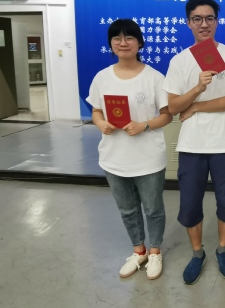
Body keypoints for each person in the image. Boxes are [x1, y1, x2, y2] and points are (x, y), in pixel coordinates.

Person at [163, 0, 225, 285]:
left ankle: (222, 249)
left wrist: (196, 106)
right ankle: (197, 253)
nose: (204, 24)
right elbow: (173, 106)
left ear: (217, 22)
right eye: (197, 19)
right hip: (191, 145)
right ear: (188, 23)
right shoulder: (179, 61)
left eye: (210, 18)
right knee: (190, 204)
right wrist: (198, 88)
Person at [87, 19, 172, 281]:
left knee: (153, 208)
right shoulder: (102, 77)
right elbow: (96, 110)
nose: (123, 43)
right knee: (127, 209)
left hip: (148, 157)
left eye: (129, 38)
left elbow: (167, 115)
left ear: (140, 43)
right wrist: (100, 123)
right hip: (114, 157)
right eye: (117, 38)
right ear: (111, 44)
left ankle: (155, 251)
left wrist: (143, 125)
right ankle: (139, 251)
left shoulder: (154, 77)